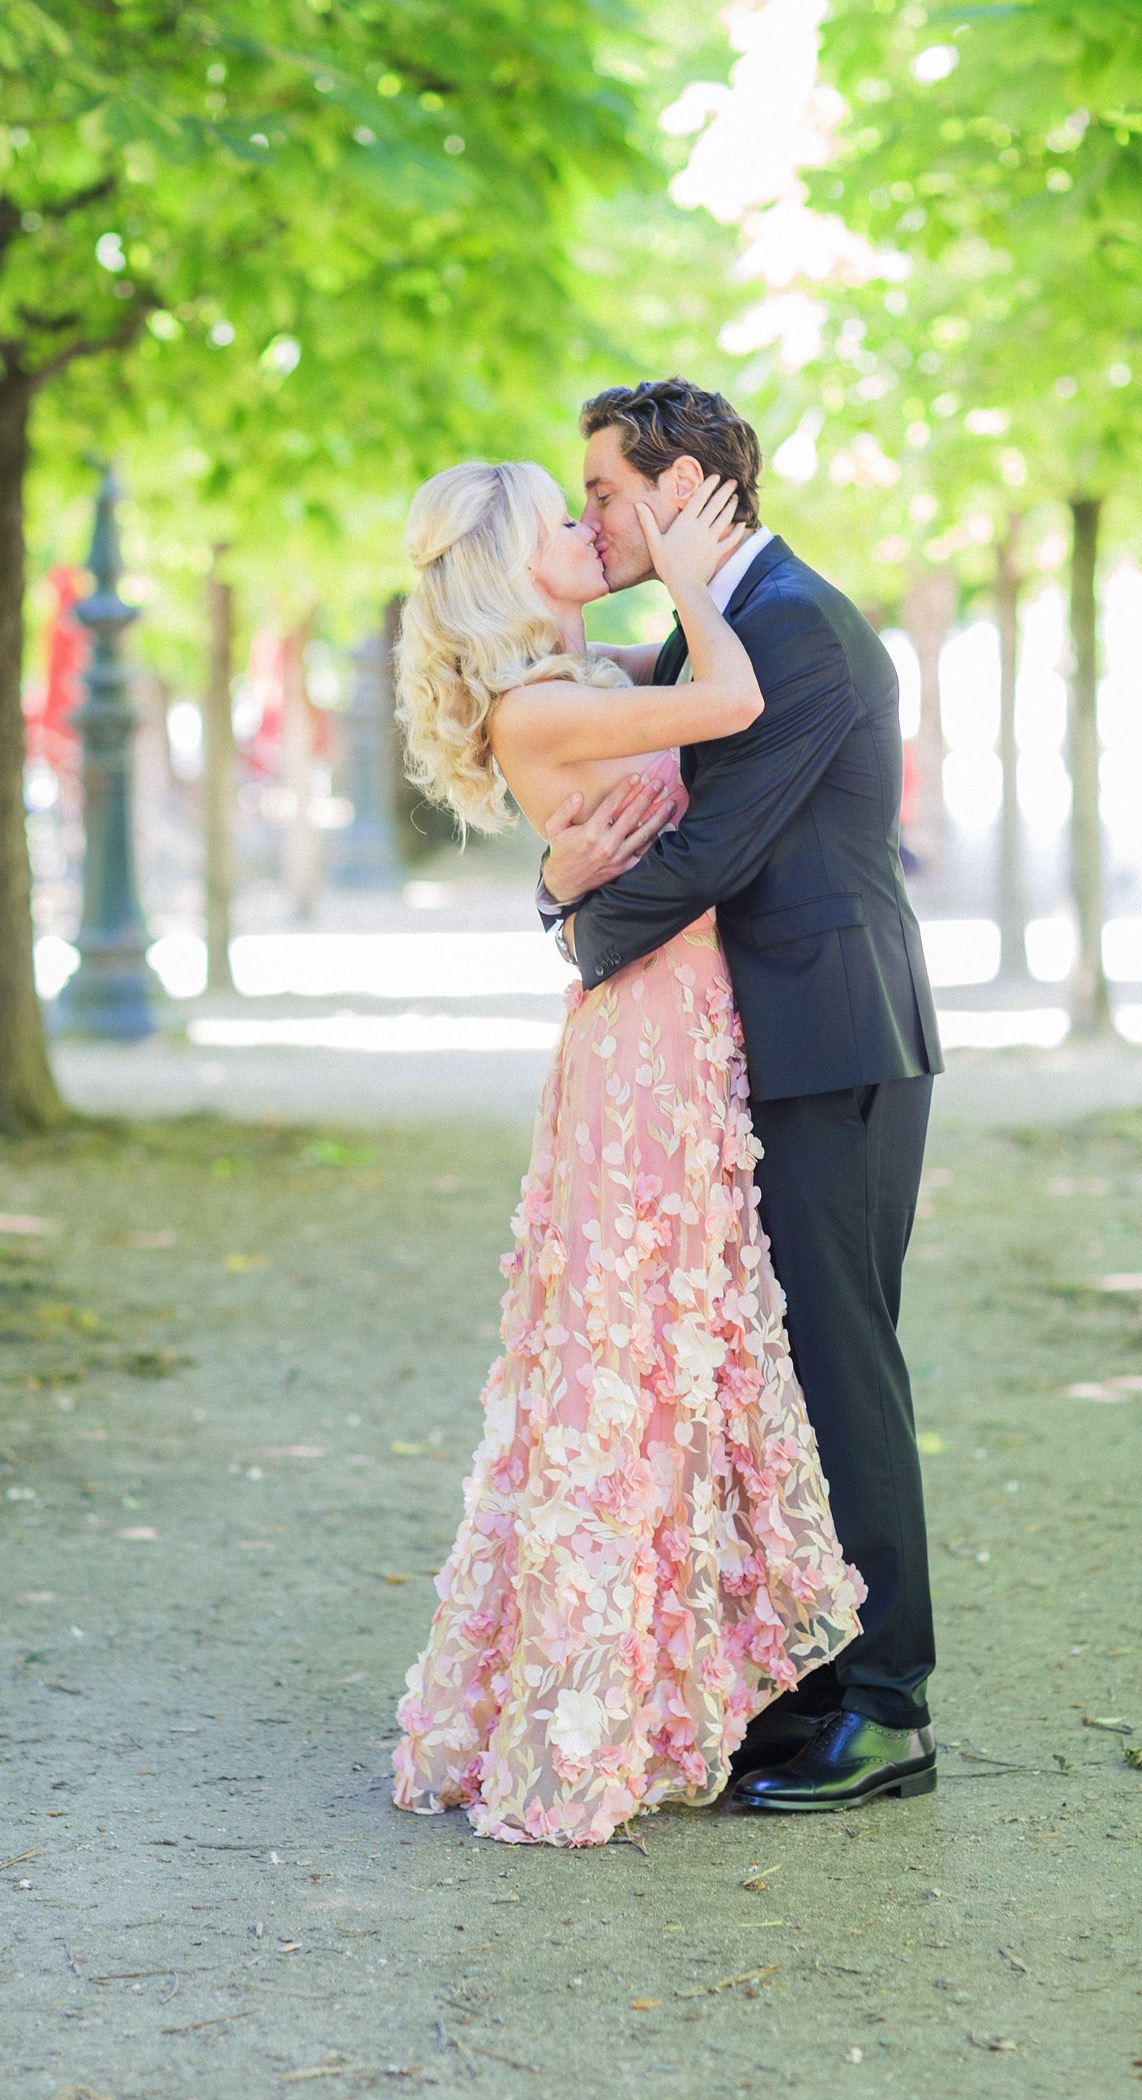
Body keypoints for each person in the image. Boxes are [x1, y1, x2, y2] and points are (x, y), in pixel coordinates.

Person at [390, 457, 865, 1848]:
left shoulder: (572, 673)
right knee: (629, 1355)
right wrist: (681, 561)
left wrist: (667, 582)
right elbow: (727, 701)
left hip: (675, 1014)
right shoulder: (545, 700)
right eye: (565, 520)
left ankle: (664, 1686)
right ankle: (596, 1707)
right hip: (647, 1034)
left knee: (672, 1345)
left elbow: (681, 711)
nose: (588, 532)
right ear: (503, 558)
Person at [540, 379, 943, 1814]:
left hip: (835, 1046)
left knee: (843, 1365)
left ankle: (891, 1705)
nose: (590, 516)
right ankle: (823, 1677)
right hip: (767, 1046)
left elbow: (712, 851)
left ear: (689, 482)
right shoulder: (717, 625)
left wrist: (577, 929)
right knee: (778, 1373)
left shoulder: (797, 628)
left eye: (602, 489)